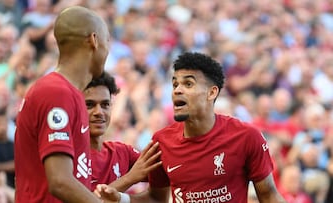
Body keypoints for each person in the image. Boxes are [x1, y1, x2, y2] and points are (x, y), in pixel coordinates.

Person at [96, 52, 286, 203]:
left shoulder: (247, 136)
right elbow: (156, 199)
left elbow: (269, 196)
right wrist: (122, 199)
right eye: (175, 84)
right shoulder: (161, 142)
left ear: (212, 93)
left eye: (188, 84)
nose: (177, 89)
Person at [14, 5, 110, 203]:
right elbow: (60, 181)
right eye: (107, 41)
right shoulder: (57, 93)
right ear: (94, 40)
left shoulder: (67, 93)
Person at [83, 71, 162, 192]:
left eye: (105, 105)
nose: (99, 112)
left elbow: (167, 171)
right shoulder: (68, 156)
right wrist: (130, 178)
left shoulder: (122, 152)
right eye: (89, 105)